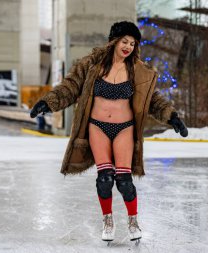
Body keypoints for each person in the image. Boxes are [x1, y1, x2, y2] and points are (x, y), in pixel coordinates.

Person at [30, 21, 188, 243]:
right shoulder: (91, 65)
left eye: (133, 43)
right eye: (124, 41)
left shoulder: (139, 71)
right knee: (104, 179)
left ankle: (133, 220)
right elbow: (70, 87)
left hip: (125, 128)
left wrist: (172, 117)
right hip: (98, 126)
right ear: (114, 41)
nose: (128, 47)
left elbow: (153, 100)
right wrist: (48, 103)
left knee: (124, 181)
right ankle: (108, 220)